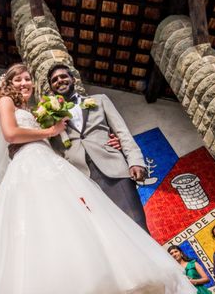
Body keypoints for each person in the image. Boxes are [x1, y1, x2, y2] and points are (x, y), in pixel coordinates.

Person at [0, 64, 195, 293]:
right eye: (17, 79)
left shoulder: (46, 109)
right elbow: (11, 134)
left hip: (72, 164)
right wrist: (50, 130)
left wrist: (124, 152)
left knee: (110, 225)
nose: (24, 83)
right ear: (8, 83)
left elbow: (99, 134)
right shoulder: (6, 102)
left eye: (27, 79)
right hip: (34, 165)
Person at [47, 63, 150, 232]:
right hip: (82, 180)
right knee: (108, 233)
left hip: (114, 170)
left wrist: (135, 161)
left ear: (73, 79)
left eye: (63, 76)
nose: (60, 80)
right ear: (51, 87)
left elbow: (122, 131)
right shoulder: (50, 119)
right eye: (54, 80)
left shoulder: (100, 100)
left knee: (137, 225)